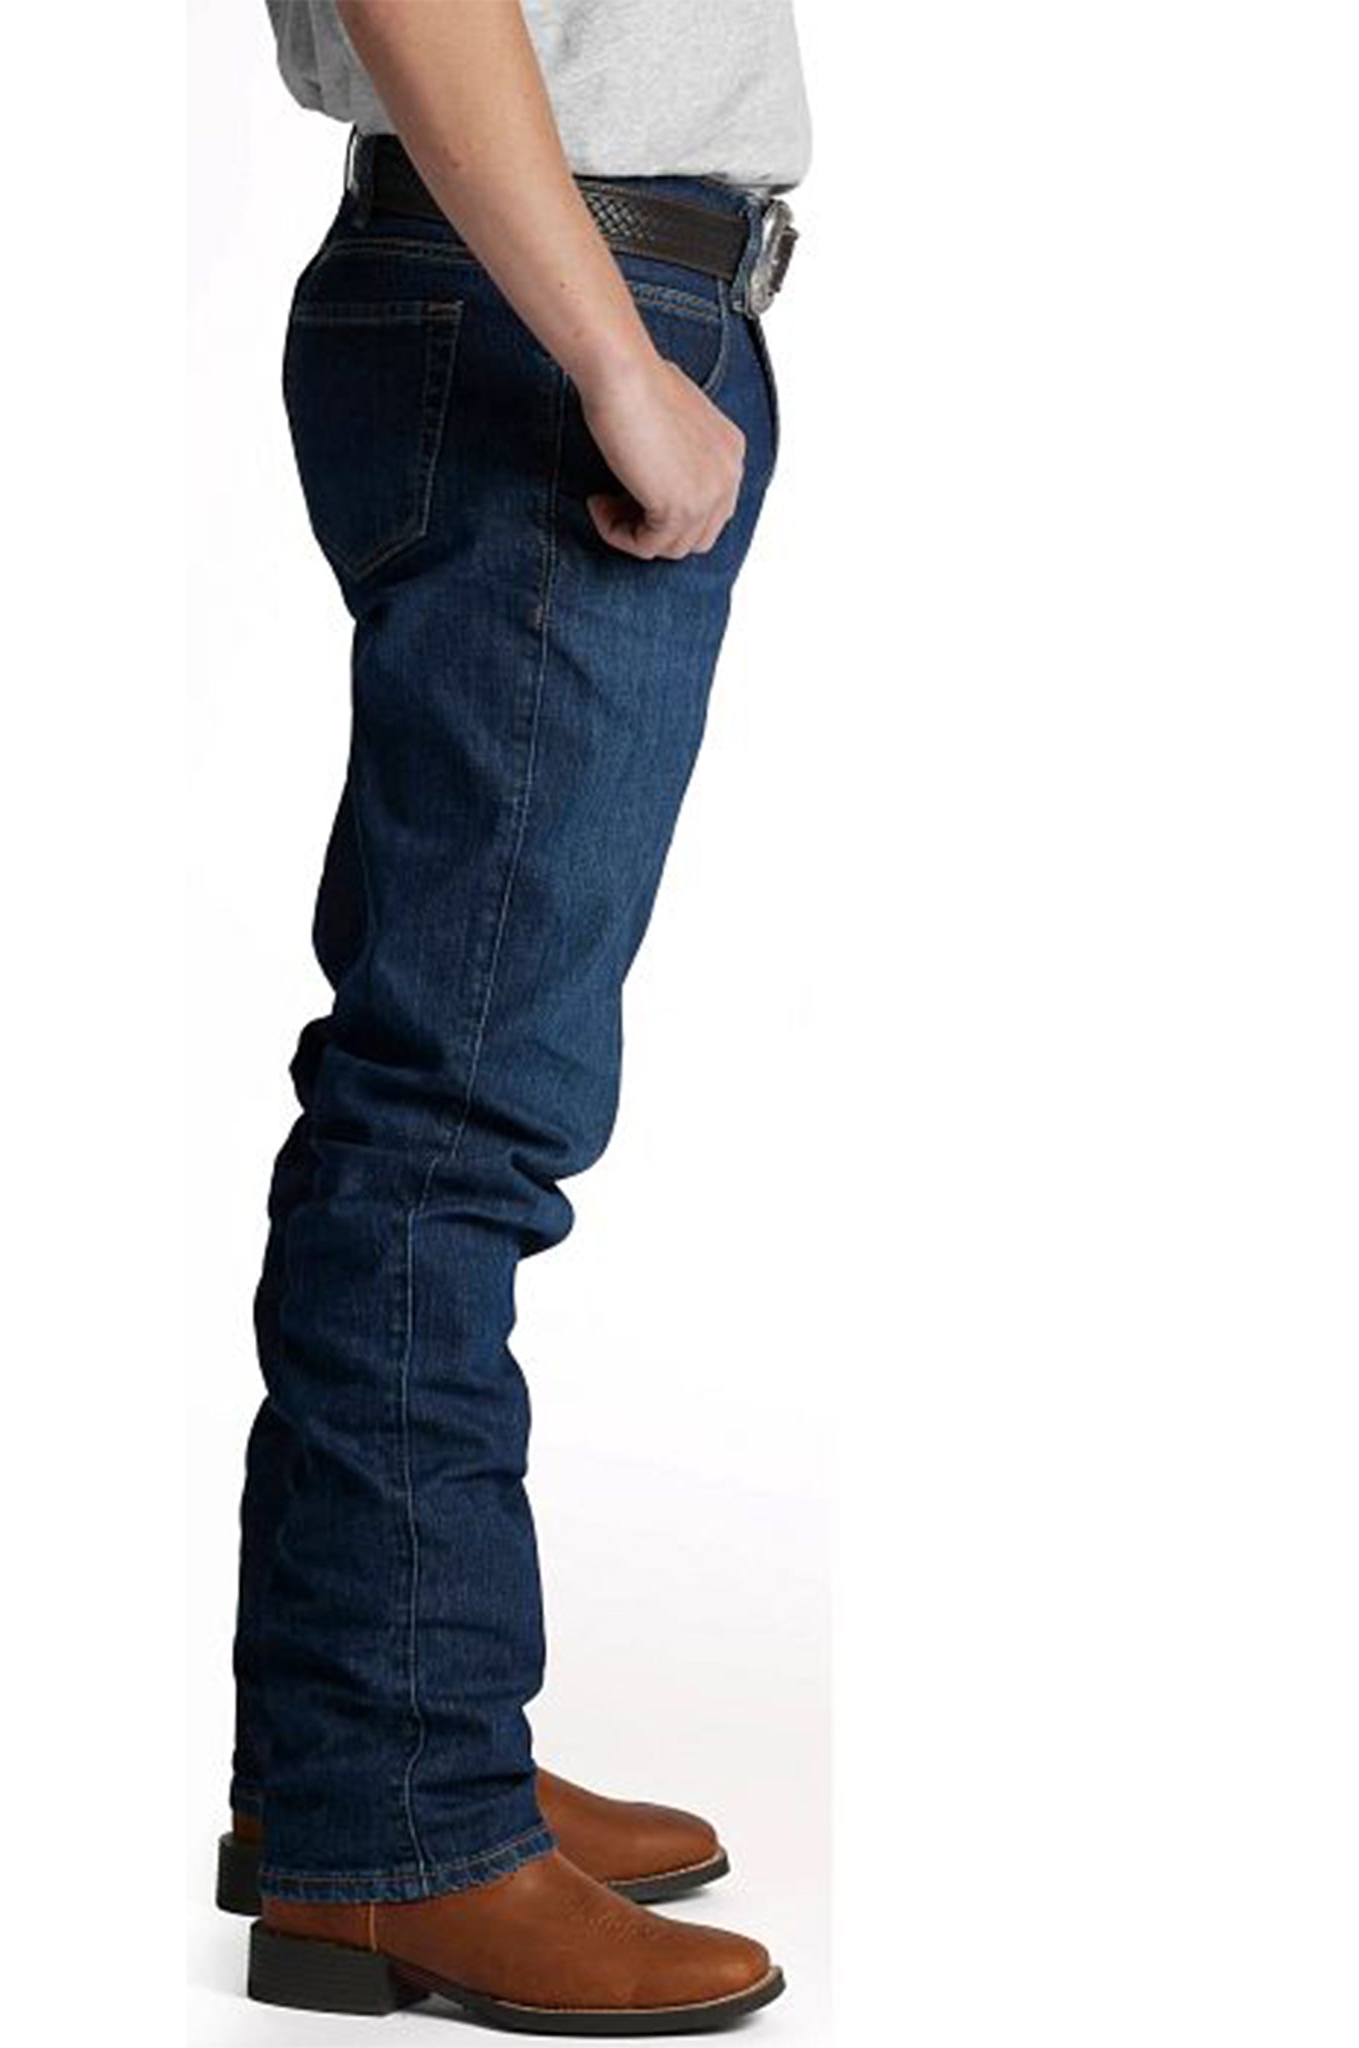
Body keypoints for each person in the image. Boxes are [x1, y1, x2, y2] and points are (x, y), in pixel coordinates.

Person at [225, 1, 810, 2031]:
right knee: (455, 1110)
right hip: (551, 305)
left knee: (432, 1075)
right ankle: (402, 1816)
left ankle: (352, 1752)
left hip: (525, 285)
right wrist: (617, 362)